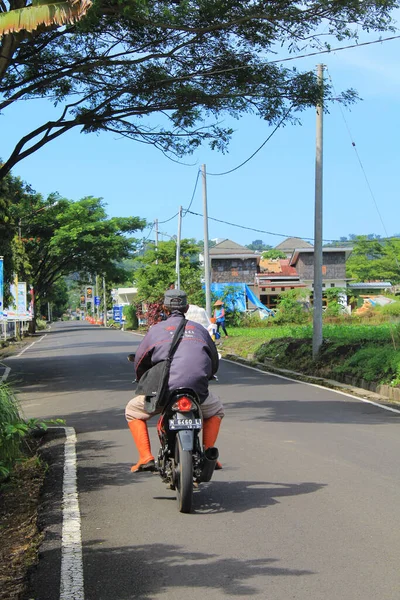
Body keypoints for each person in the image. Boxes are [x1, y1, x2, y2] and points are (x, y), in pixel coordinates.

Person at [125, 289, 224, 472]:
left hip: (164, 393)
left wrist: (142, 380)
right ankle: (210, 454)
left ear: (164, 307)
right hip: (197, 393)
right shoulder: (200, 330)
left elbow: (140, 361)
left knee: (132, 410)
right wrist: (207, 375)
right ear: (186, 308)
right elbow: (213, 360)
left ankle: (145, 457)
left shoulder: (155, 331)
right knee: (216, 409)